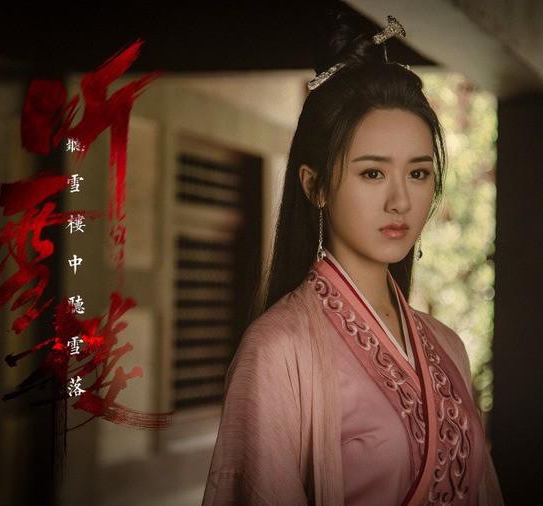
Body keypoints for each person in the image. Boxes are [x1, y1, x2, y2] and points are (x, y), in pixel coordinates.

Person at [202, 12, 503, 506]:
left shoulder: (448, 347)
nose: (401, 202)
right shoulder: (277, 351)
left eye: (418, 173)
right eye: (372, 174)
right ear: (315, 186)